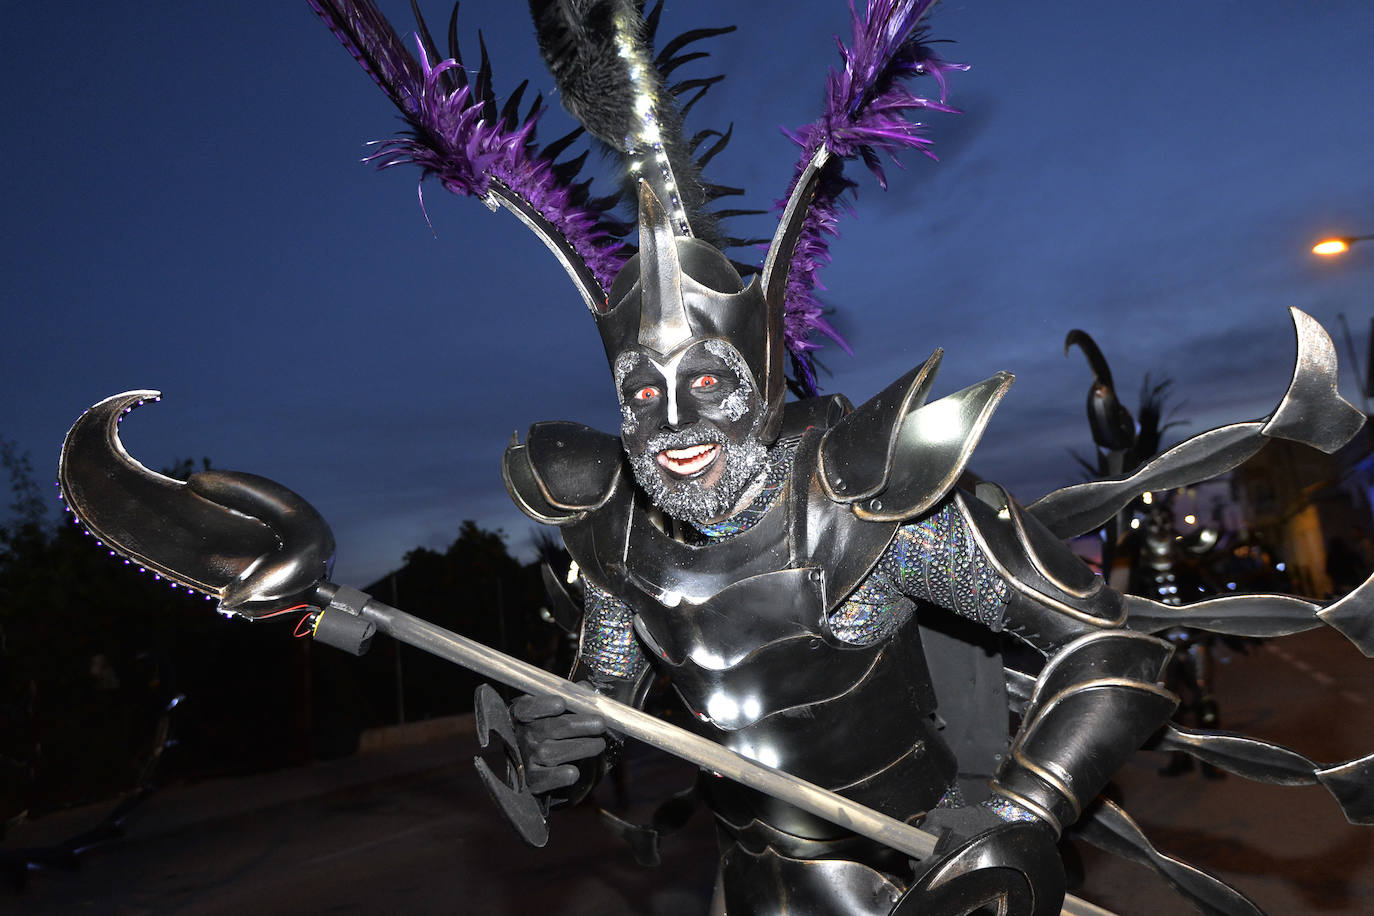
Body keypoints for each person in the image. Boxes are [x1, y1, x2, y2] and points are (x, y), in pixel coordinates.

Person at [305, 1, 1371, 912]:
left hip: (913, 883)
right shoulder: (615, 532)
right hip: (746, 882)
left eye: (710, 384)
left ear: (760, 383)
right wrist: (552, 751)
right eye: (642, 391)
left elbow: (1110, 649)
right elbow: (607, 710)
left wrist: (1022, 807)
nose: (673, 420)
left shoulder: (868, 502)